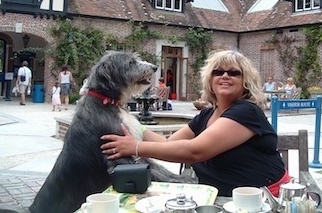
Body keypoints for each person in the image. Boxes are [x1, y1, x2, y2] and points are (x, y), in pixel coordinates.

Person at [101, 50, 290, 197]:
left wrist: (136, 147)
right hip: (220, 197)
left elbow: (195, 151)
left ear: (245, 82)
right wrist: (127, 119)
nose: (225, 76)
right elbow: (167, 144)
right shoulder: (207, 114)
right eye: (218, 72)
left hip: (262, 198)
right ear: (210, 79)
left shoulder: (246, 111)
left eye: (234, 73)